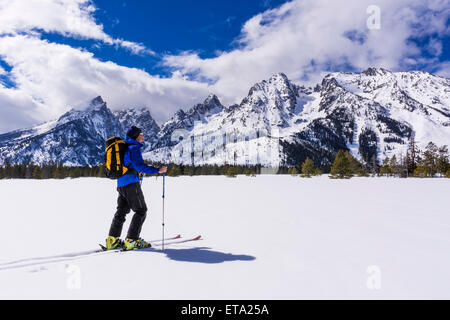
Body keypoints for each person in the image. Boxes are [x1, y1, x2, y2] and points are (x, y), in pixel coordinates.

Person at [105, 126, 167, 251]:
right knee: (141, 210)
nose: (143, 136)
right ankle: (132, 239)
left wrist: (138, 171)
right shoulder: (134, 148)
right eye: (141, 134)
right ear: (136, 136)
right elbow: (140, 166)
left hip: (121, 184)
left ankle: (112, 240)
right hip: (131, 185)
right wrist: (158, 170)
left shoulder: (125, 148)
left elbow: (130, 166)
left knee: (121, 212)